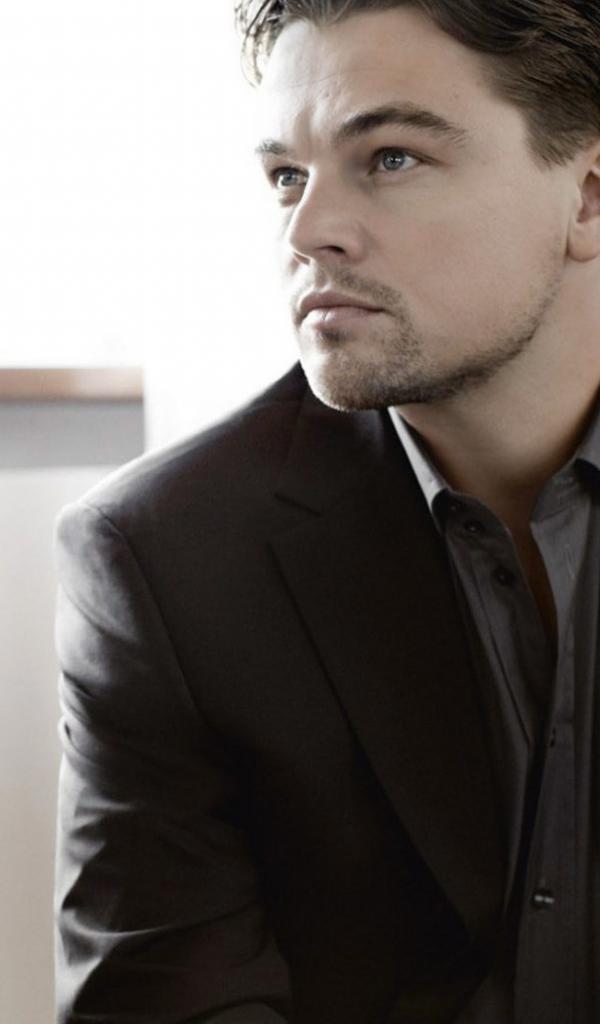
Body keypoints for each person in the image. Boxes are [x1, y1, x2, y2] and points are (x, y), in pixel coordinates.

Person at [54, 1, 600, 1021]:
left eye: (390, 158)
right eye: (285, 177)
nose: (307, 231)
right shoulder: (166, 557)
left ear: (588, 194)